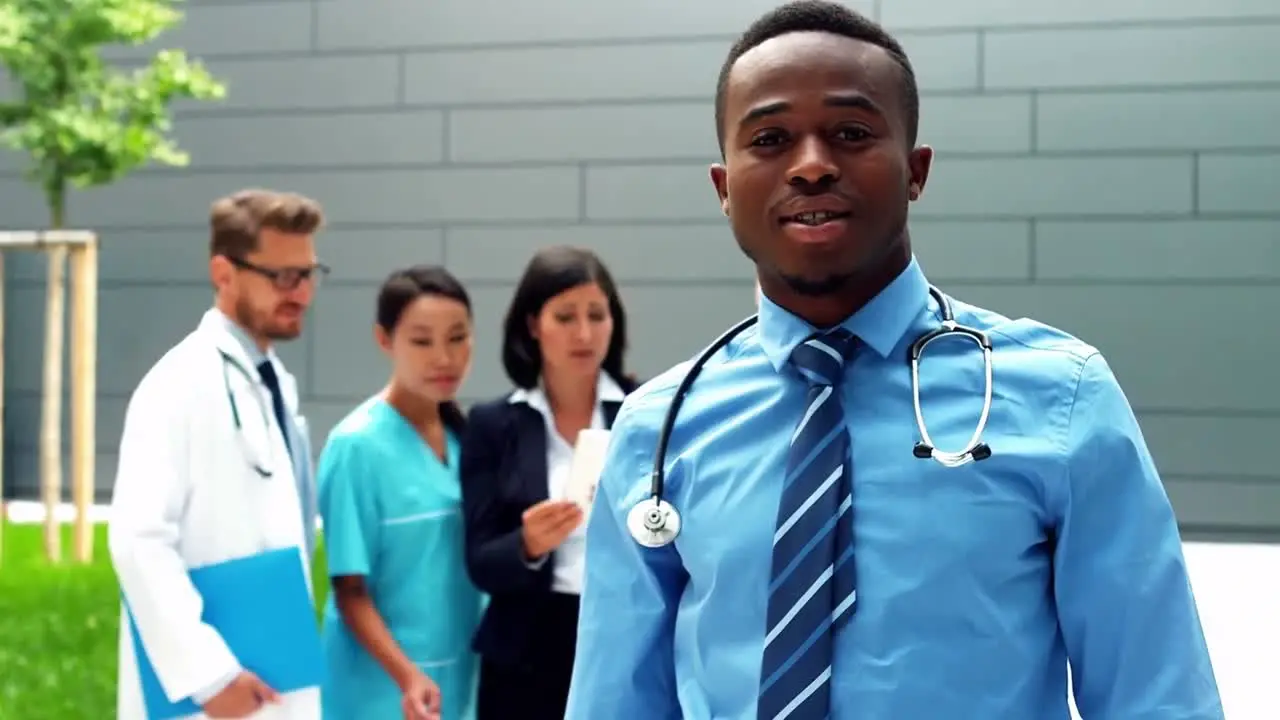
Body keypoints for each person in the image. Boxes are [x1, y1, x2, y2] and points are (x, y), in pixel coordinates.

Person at [566, 3, 1224, 719]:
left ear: (916, 171)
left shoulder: (1060, 399)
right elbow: (615, 701)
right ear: (725, 190)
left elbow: (1155, 696)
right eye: (771, 138)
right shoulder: (661, 428)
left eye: (851, 133)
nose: (812, 165)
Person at [109, 189, 328, 720]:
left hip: (273, 666)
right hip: (212, 689)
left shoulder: (273, 381)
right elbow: (138, 541)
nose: (299, 292)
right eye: (280, 277)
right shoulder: (177, 385)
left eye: (307, 274)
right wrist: (209, 677)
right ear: (223, 273)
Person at [459, 246, 639, 720]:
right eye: (565, 317)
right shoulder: (493, 424)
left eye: (597, 315)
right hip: (526, 649)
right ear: (533, 324)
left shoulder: (645, 412)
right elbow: (479, 562)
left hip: (622, 633)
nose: (584, 333)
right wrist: (528, 545)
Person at [317, 265, 485, 720]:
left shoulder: (467, 438)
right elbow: (350, 590)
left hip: (460, 679)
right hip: (383, 690)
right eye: (421, 340)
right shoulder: (355, 447)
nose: (444, 358)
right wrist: (407, 676)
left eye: (457, 337)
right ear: (384, 340)